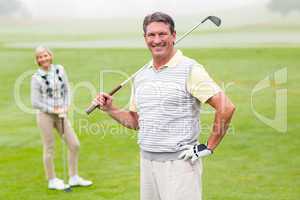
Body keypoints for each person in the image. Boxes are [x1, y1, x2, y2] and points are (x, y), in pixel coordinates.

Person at [92, 12, 235, 200]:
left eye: (162, 34)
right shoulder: (142, 75)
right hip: (147, 161)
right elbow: (136, 122)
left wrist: (208, 146)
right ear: (145, 39)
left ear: (173, 36)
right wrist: (111, 109)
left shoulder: (190, 69)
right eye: (151, 35)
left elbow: (226, 107)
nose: (157, 40)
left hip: (180, 165)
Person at [31, 46, 92, 190]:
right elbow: (35, 102)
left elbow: (67, 90)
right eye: (40, 57)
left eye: (45, 55)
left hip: (62, 113)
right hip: (45, 115)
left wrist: (65, 106)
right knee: (49, 147)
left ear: (50, 56)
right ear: (37, 60)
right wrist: (53, 109)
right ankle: (52, 180)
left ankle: (73, 177)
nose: (43, 59)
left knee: (74, 144)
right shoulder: (36, 77)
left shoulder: (60, 69)